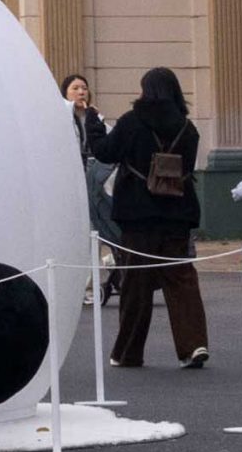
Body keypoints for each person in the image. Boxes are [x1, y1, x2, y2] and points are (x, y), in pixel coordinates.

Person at [90, 67, 208, 368]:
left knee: (136, 283)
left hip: (138, 212)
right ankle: (193, 345)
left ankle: (128, 352)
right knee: (181, 279)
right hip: (178, 211)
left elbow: (105, 152)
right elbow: (188, 167)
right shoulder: (187, 128)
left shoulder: (132, 122)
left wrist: (93, 125)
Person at [63, 73, 119, 305]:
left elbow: (111, 142)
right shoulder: (60, 118)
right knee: (82, 235)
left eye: (84, 88)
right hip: (71, 182)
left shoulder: (96, 118)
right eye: (75, 88)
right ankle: (86, 285)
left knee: (99, 230)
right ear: (65, 94)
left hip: (94, 180)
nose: (81, 92)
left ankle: (100, 275)